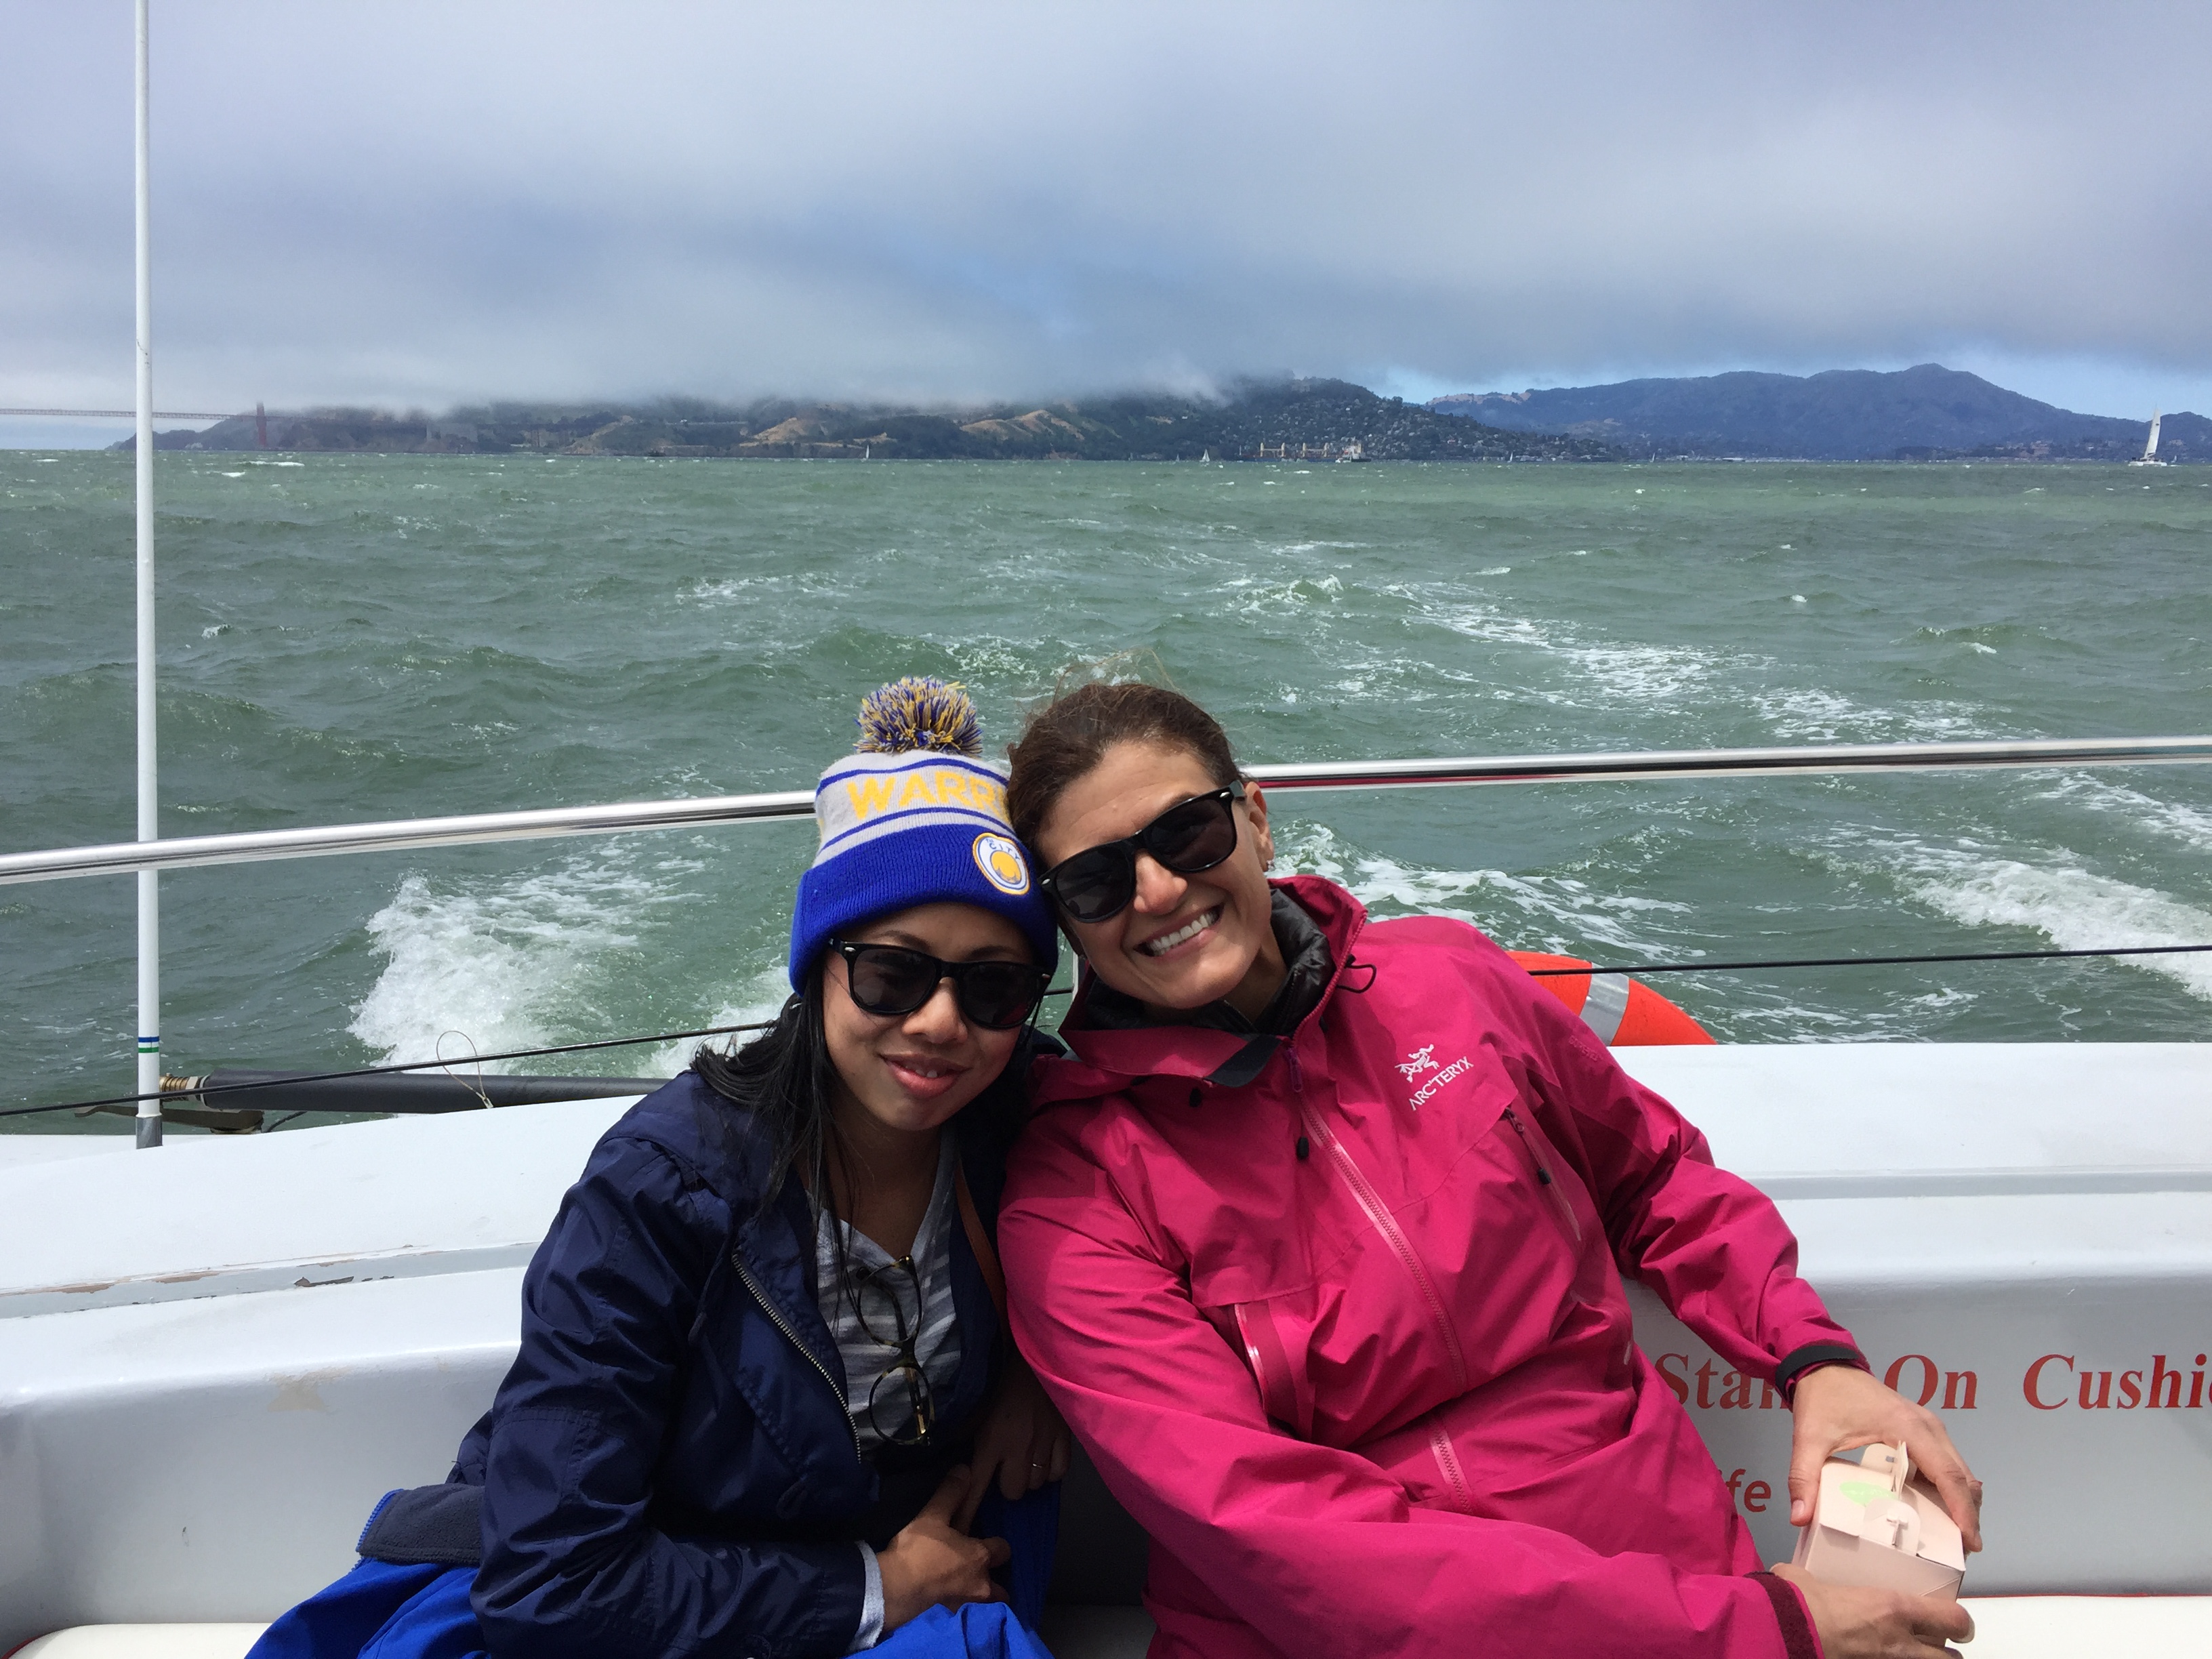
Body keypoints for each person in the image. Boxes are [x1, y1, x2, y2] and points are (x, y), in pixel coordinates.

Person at [996, 680, 1984, 1659]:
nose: (1158, 892)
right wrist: (1758, 1629)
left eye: (1186, 833)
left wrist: (1813, 1360)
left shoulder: (1450, 979)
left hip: (1663, 1563)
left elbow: (1652, 1178)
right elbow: (1270, 1526)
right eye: (1096, 883)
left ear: (1254, 819)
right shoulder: (1075, 1194)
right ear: (1067, 924)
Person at [251, 678, 1073, 1659]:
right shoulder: (659, 1189)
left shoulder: (1020, 1120)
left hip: (885, 1563)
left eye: (993, 986)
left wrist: (1037, 1371)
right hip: (642, 1602)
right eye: (892, 973)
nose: (941, 1022)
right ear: (819, 967)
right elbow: (551, 1582)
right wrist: (875, 1589)